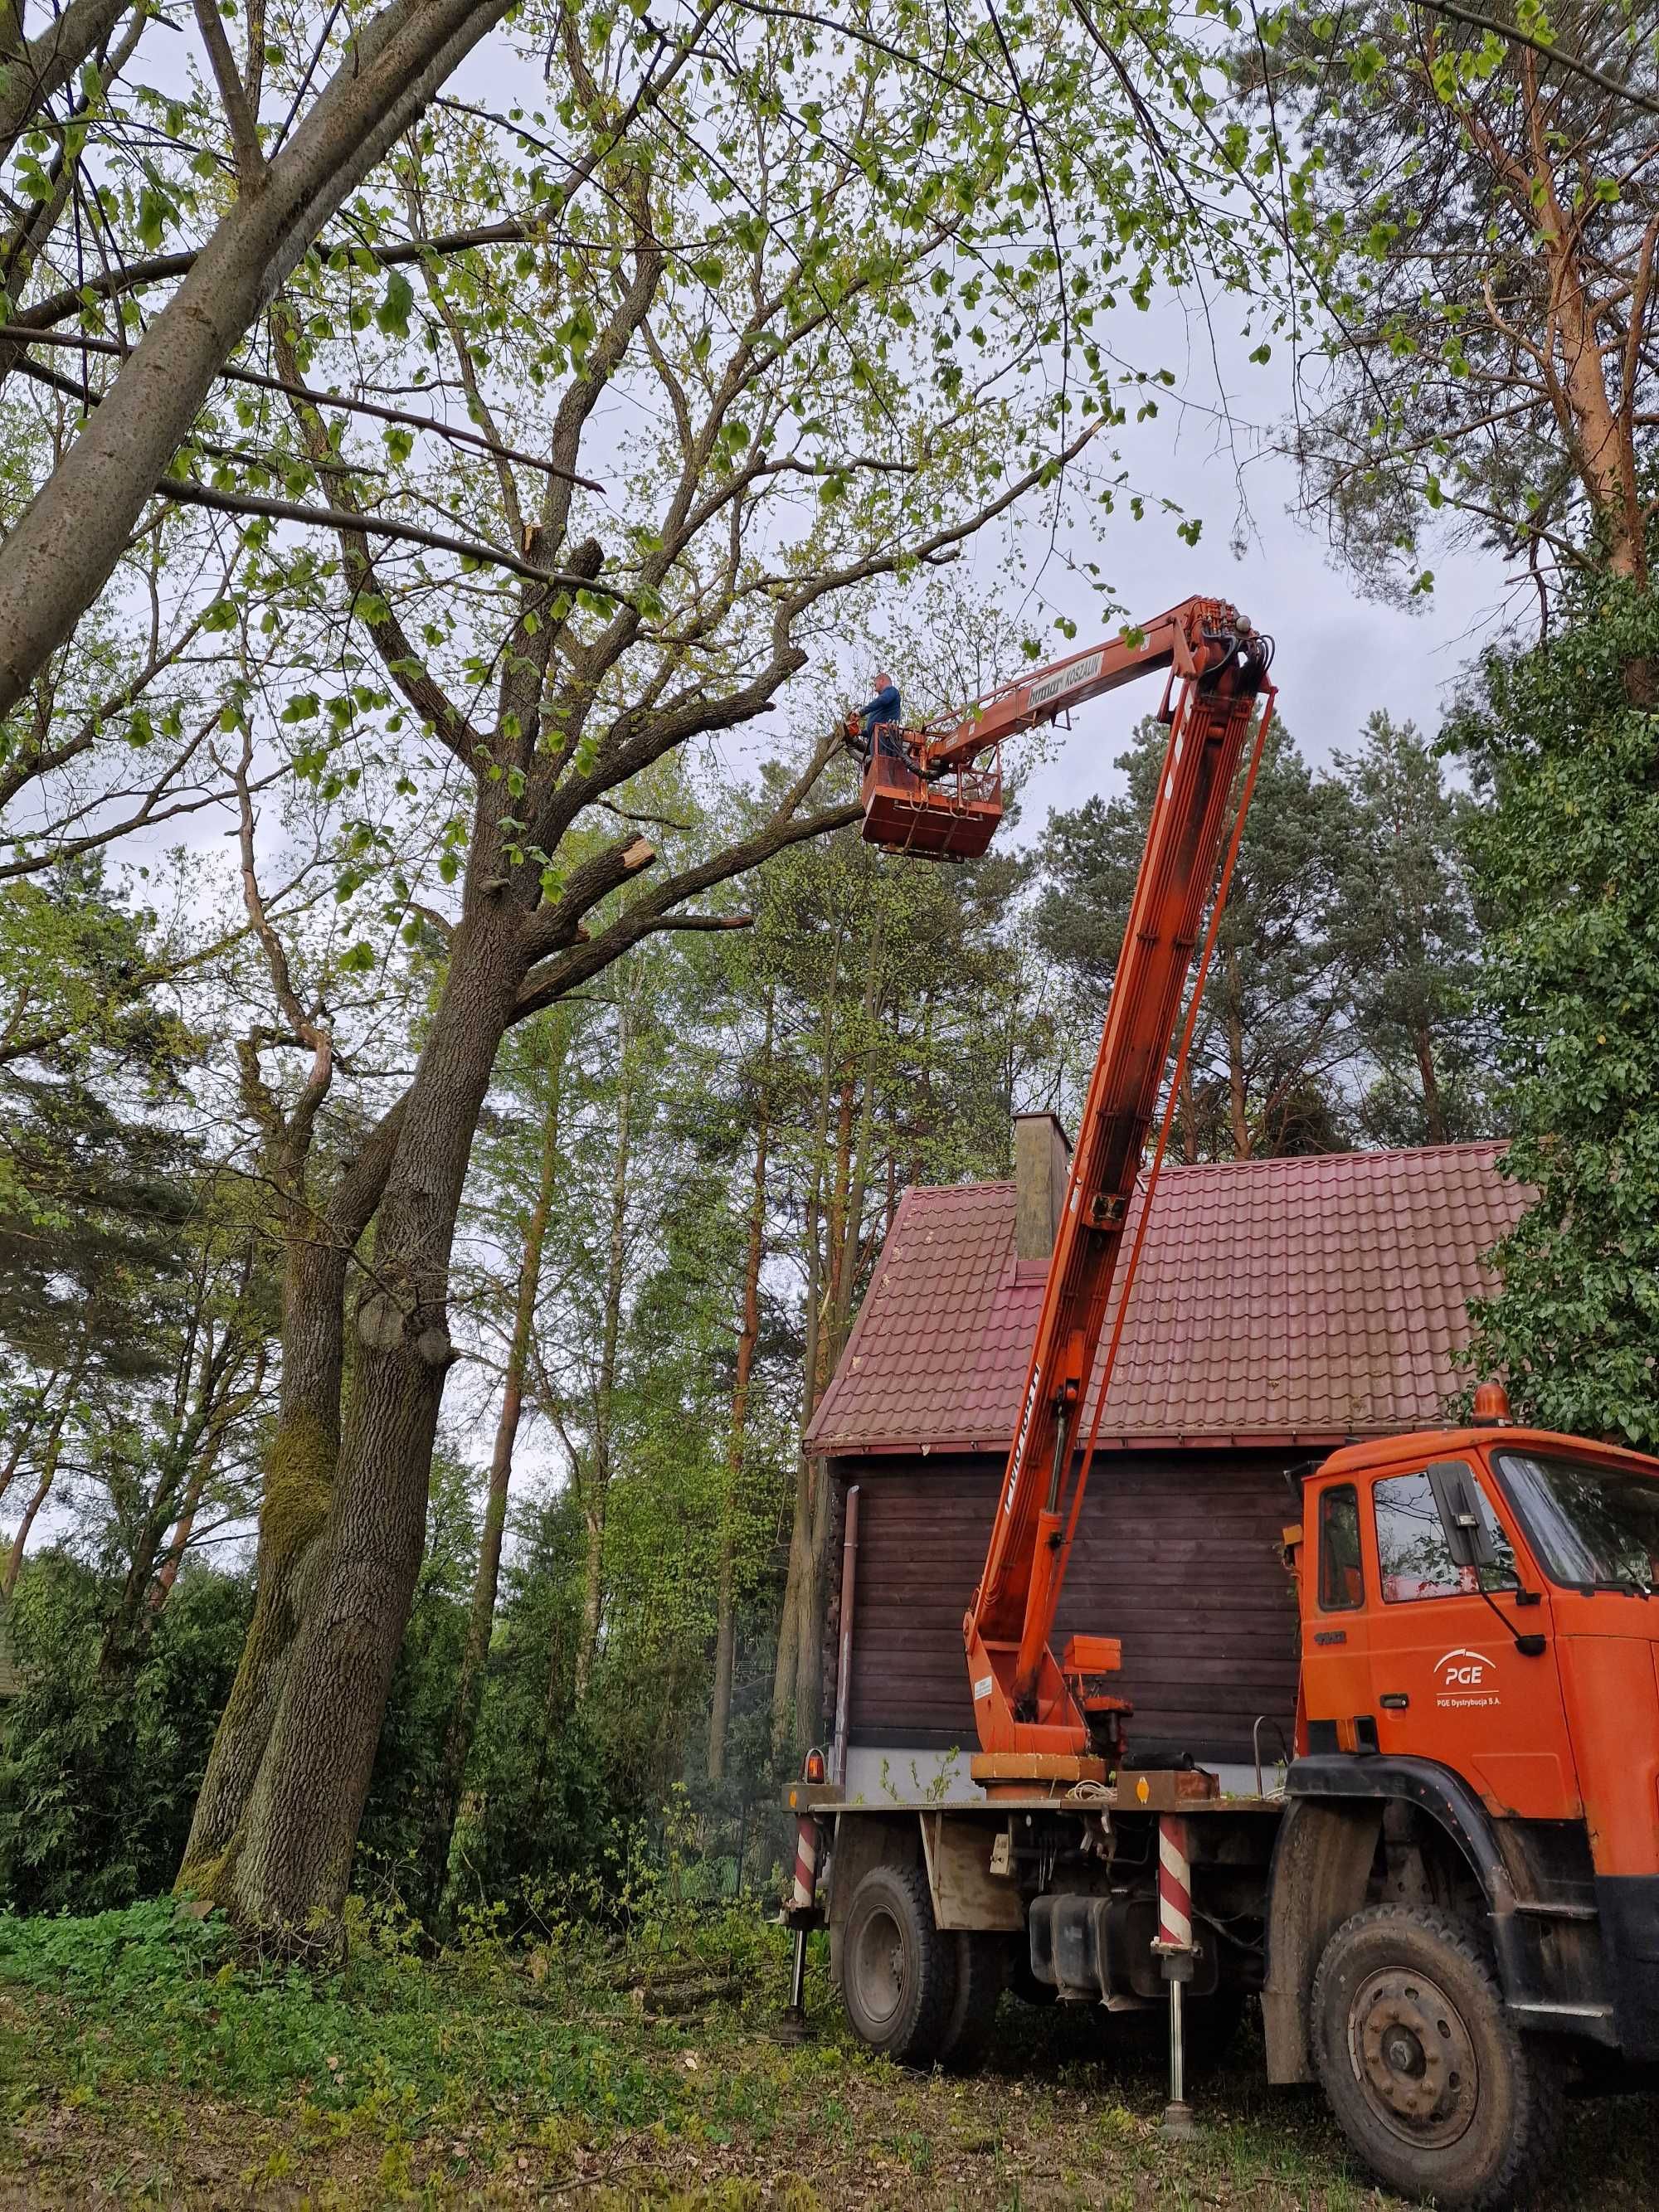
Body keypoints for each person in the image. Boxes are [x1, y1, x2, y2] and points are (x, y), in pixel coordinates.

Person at [853, 673, 905, 763]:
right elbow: (872, 727)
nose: (874, 688)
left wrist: (860, 713)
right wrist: (860, 732)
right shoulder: (881, 703)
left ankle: (870, 760)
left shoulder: (891, 691)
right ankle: (869, 759)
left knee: (880, 764)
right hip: (877, 738)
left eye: (875, 684)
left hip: (885, 736)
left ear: (882, 681)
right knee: (875, 764)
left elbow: (882, 700)